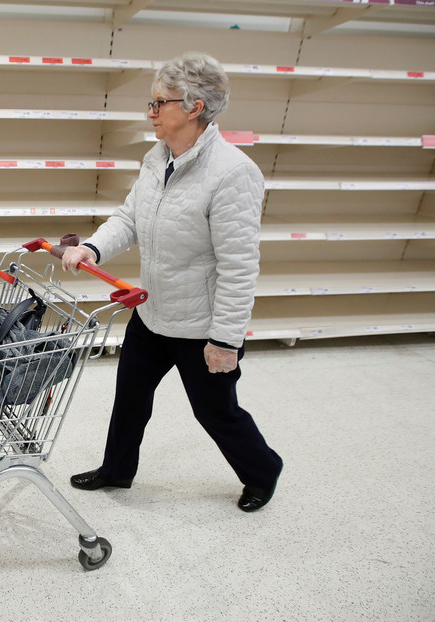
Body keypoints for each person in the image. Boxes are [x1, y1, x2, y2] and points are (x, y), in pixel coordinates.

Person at [61, 52, 282, 512]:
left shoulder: (233, 174)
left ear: (194, 107)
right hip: (153, 310)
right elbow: (130, 217)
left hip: (200, 326)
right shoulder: (158, 157)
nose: (151, 113)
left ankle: (263, 470)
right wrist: (93, 249)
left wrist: (226, 339)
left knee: (215, 412)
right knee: (130, 399)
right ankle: (117, 470)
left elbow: (239, 266)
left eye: (160, 103)